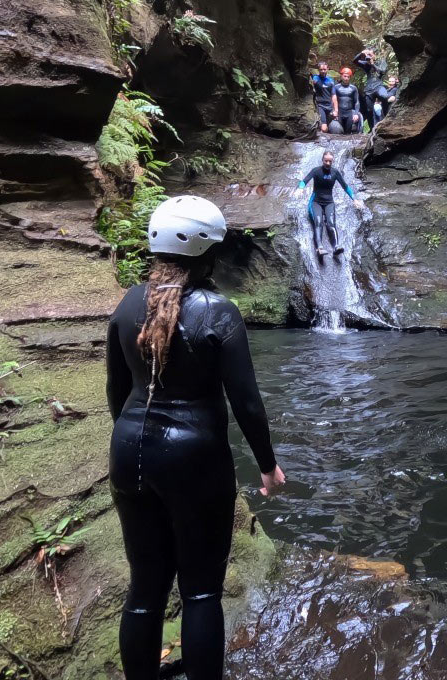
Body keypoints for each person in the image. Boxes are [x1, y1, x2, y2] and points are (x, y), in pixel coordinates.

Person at [106, 195, 287, 680]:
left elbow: (116, 393)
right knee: (201, 590)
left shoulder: (127, 303)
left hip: (128, 452)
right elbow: (246, 402)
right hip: (195, 462)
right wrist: (268, 465)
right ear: (208, 253)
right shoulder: (218, 311)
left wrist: (131, 446)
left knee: (145, 588)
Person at [299, 150, 356, 259]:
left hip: (329, 202)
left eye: (330, 161)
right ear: (322, 160)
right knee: (319, 222)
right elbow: (304, 181)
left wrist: (354, 199)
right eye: (326, 161)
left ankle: (336, 247)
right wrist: (300, 188)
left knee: (331, 224)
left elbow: (345, 186)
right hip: (316, 202)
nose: (328, 163)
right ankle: (319, 247)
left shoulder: (335, 172)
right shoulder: (316, 171)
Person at [354, 48, 388, 128]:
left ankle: (386, 117)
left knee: (384, 96)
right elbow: (355, 61)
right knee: (369, 110)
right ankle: (372, 128)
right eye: (368, 55)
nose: (369, 56)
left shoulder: (381, 62)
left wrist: (372, 64)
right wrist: (361, 53)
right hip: (369, 88)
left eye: (370, 55)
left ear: (374, 55)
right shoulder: (366, 63)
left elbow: (382, 71)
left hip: (379, 85)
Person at [331, 65, 364, 134]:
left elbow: (357, 102)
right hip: (339, 112)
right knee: (338, 132)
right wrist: (334, 111)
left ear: (350, 77)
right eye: (345, 76)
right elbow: (333, 100)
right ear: (341, 76)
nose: (346, 78)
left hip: (349, 112)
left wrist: (356, 113)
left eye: (348, 77)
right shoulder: (336, 87)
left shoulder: (353, 88)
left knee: (348, 133)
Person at [310, 61, 336, 133]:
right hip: (320, 105)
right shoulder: (315, 78)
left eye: (324, 69)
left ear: (327, 69)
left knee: (331, 127)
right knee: (324, 128)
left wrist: (336, 109)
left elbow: (334, 95)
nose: (323, 71)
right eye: (321, 69)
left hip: (330, 106)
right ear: (318, 70)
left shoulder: (331, 80)